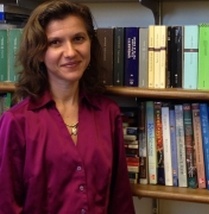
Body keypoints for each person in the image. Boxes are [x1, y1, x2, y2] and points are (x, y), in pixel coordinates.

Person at [0, 0, 136, 213]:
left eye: (78, 39)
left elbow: (120, 201)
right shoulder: (17, 122)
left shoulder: (108, 113)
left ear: (90, 42)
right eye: (55, 42)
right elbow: (6, 204)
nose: (71, 52)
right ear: (39, 52)